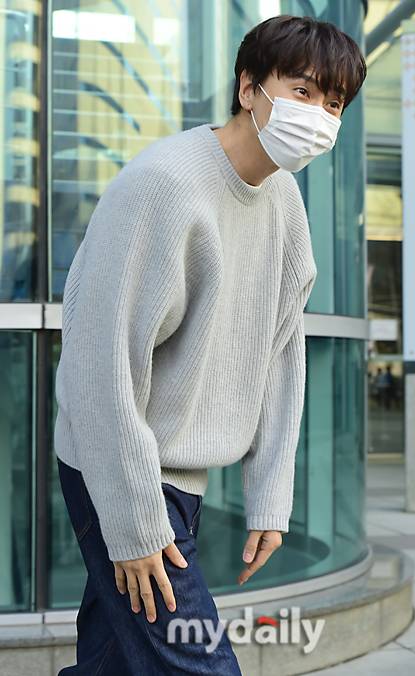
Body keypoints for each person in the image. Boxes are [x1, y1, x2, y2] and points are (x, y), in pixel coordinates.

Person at [54, 13, 366, 675]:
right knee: (202, 665)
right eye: (303, 92)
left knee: (113, 663)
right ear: (249, 88)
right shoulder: (163, 185)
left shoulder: (285, 202)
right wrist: (135, 522)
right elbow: (98, 366)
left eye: (334, 104)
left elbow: (282, 353)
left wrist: (271, 497)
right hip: (118, 466)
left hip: (183, 477)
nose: (319, 116)